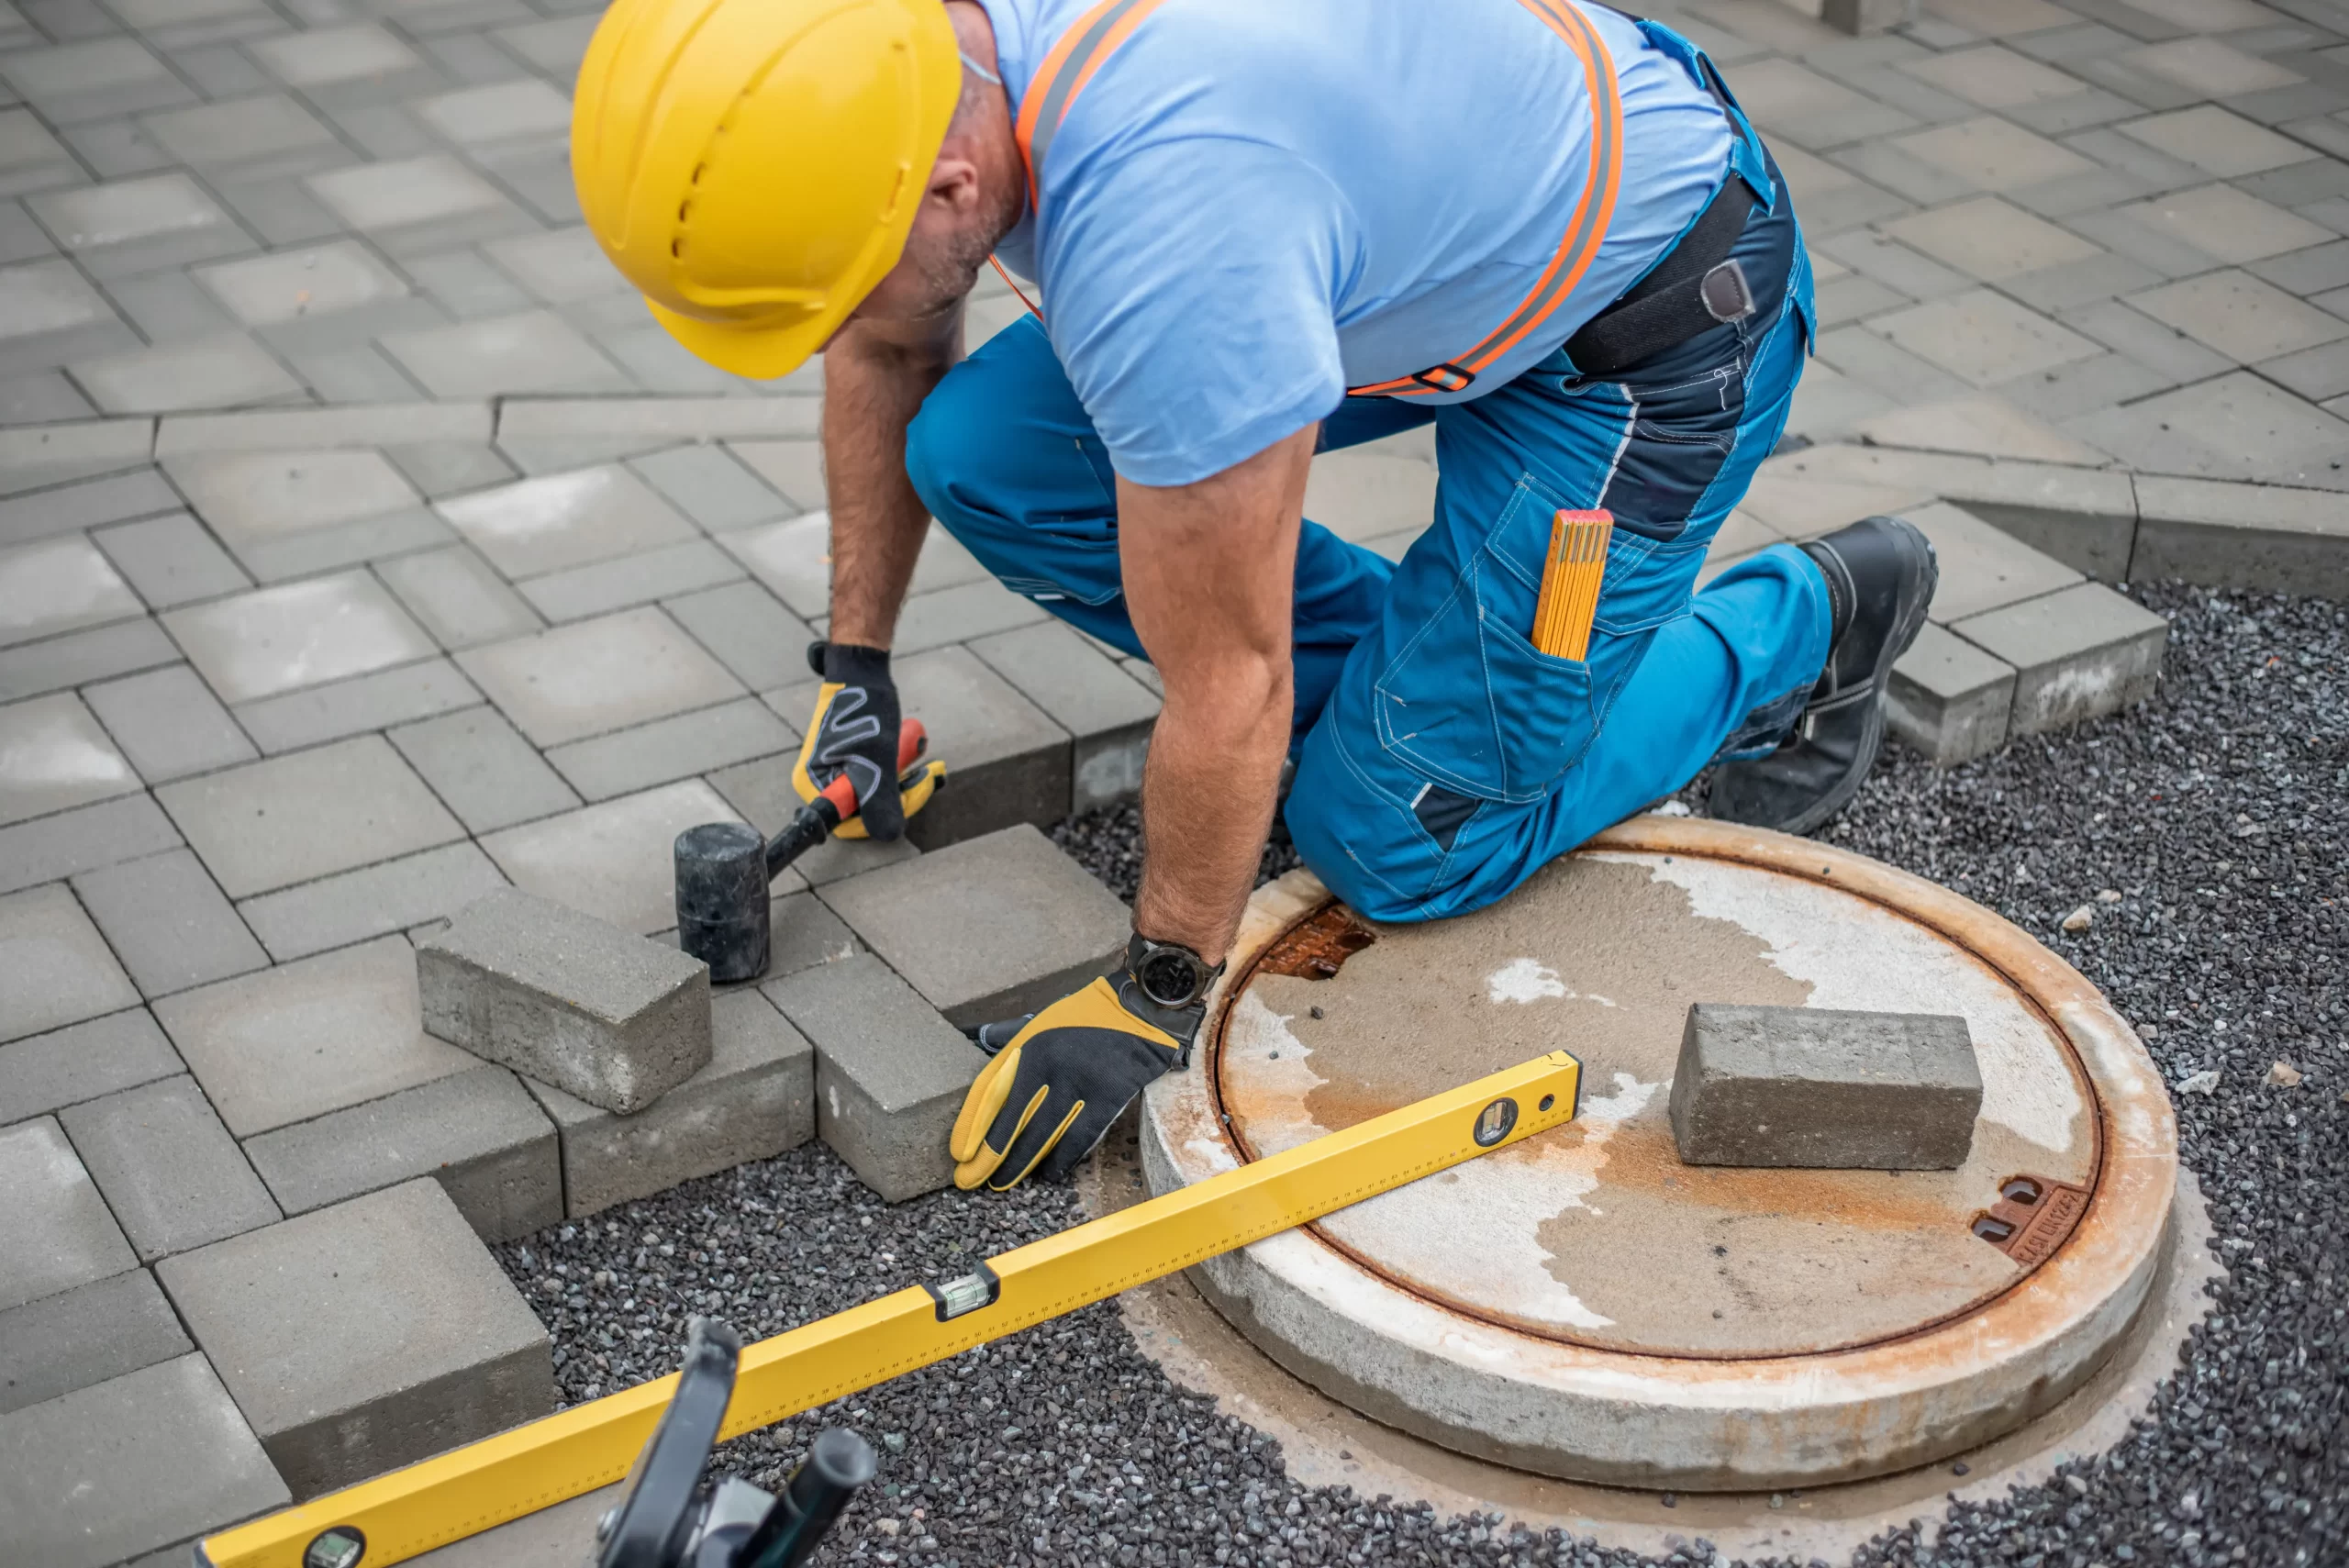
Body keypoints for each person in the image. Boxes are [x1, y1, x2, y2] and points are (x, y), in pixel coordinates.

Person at [575, 0, 1938, 1194]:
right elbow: (891, 347)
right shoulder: (907, 62)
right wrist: (853, 673)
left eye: (835, 285)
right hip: (1414, 237)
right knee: (982, 455)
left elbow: (1227, 683)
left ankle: (1802, 629)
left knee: (1398, 843)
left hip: (1649, 332)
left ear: (943, 187)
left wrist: (1158, 985)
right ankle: (1442, 696)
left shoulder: (1174, 237)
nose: (836, 325)